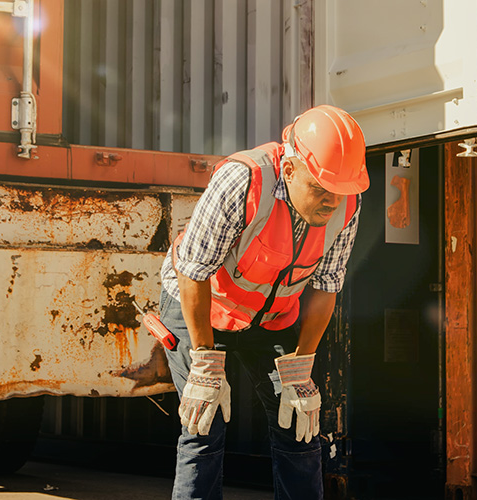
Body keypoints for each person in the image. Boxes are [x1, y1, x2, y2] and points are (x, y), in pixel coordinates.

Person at [158, 104, 369, 500]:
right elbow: (194, 271)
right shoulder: (243, 181)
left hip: (271, 317)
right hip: (203, 303)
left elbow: (326, 286)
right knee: (204, 423)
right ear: (290, 172)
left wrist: (301, 368)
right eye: (320, 189)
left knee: (300, 424)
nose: (331, 202)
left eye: (340, 193)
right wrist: (204, 362)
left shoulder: (347, 205)